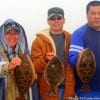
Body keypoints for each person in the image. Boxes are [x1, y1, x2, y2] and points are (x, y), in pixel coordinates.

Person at [31, 7, 76, 100]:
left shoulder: (72, 39)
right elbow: (35, 67)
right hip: (48, 91)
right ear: (48, 21)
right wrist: (45, 59)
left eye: (59, 18)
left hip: (68, 89)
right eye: (52, 18)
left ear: (64, 20)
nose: (56, 21)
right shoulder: (38, 41)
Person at [0, 19, 39, 100]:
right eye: (8, 33)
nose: (12, 36)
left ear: (20, 35)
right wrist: (8, 66)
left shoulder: (26, 54)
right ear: (2, 35)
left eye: (15, 33)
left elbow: (34, 75)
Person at [69, 0, 100, 99]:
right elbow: (72, 60)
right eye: (93, 13)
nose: (96, 16)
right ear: (87, 15)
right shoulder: (79, 33)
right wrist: (78, 57)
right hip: (87, 90)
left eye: (99, 13)